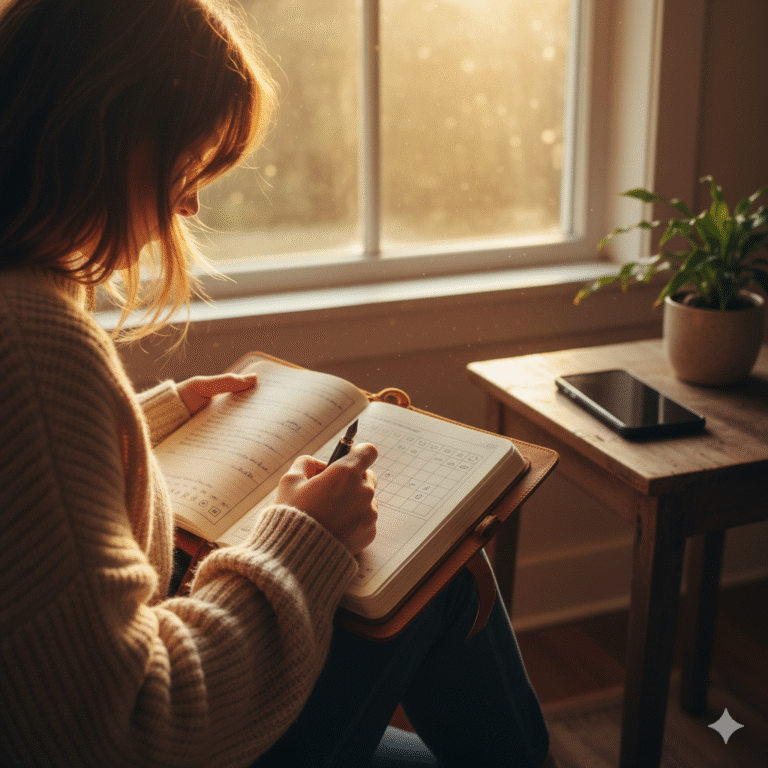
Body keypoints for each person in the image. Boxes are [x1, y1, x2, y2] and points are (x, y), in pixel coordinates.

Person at [0, 1, 555, 766]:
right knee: (446, 573)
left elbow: (32, 525)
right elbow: (125, 728)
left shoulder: (21, 311)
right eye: (186, 165)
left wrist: (141, 422)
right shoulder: (31, 340)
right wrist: (301, 538)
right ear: (109, 129)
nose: (189, 202)